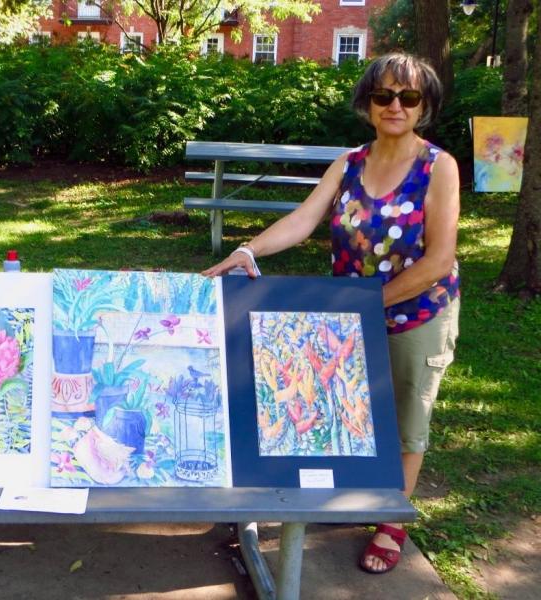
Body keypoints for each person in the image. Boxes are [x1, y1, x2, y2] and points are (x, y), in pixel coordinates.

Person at [203, 53, 460, 574]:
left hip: (417, 315)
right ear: (368, 103)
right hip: (352, 315)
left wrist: (367, 305)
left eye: (408, 97)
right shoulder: (350, 163)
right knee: (346, 408)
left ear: (423, 106)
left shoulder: (439, 167)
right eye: (384, 95)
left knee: (406, 423)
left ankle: (391, 521)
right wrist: (249, 250)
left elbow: (438, 260)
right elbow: (303, 219)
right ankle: (348, 495)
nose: (395, 105)